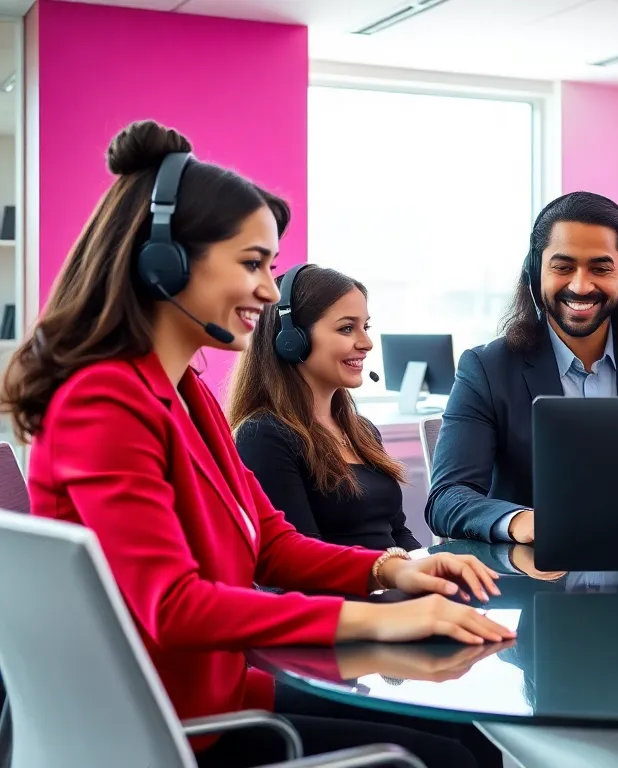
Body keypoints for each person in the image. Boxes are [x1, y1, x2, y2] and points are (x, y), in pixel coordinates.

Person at [1, 120, 514, 768]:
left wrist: (393, 569)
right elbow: (174, 606)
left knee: (470, 735)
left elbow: (269, 542)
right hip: (177, 731)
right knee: (454, 758)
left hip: (222, 700)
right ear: (166, 261)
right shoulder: (101, 403)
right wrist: (381, 620)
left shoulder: (185, 393)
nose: (270, 291)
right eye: (252, 264)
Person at [426, 191, 618, 543]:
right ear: (536, 272)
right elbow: (447, 498)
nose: (580, 285)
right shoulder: (487, 369)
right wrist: (520, 521)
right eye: (563, 267)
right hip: (535, 580)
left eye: (601, 268)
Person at [229, 264, 420, 552]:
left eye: (365, 327)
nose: (366, 343)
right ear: (291, 340)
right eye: (346, 328)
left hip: (390, 587)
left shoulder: (361, 431)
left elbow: (398, 532)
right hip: (343, 594)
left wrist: (429, 570)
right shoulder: (263, 436)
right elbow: (298, 559)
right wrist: (392, 575)